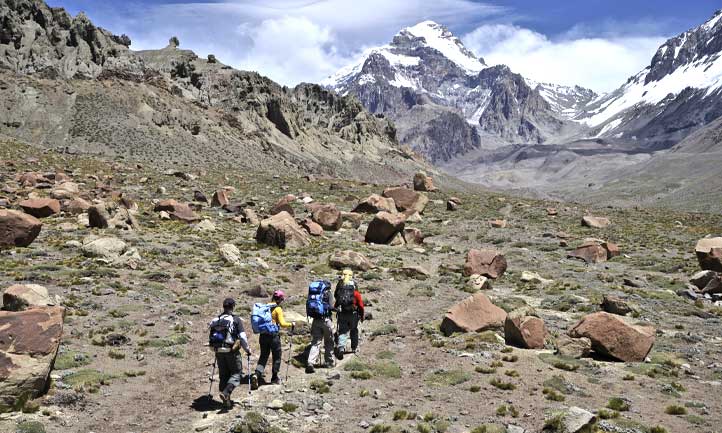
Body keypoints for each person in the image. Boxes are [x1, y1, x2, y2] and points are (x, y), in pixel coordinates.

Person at [208, 298, 251, 408]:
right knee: (237, 373)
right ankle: (226, 393)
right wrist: (247, 349)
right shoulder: (235, 319)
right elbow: (242, 337)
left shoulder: (216, 320)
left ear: (223, 307)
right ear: (233, 306)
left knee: (223, 375)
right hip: (230, 350)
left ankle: (225, 401)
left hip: (218, 350)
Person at [253, 290, 294, 385]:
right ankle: (274, 378)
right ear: (280, 299)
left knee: (263, 356)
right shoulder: (277, 309)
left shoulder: (265, 307)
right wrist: (291, 324)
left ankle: (257, 374)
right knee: (277, 356)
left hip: (263, 335)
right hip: (273, 336)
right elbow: (283, 324)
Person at [334, 269, 365, 360]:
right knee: (354, 330)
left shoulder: (340, 289)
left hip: (342, 313)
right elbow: (361, 305)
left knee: (343, 331)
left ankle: (341, 348)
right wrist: (362, 315)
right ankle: (354, 348)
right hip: (353, 314)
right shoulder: (355, 293)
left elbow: (336, 300)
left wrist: (336, 308)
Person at [305, 280, 335, 374]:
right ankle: (329, 362)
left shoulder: (314, 294)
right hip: (326, 320)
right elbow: (330, 306)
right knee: (329, 341)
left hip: (315, 320)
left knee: (315, 342)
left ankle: (311, 362)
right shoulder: (328, 293)